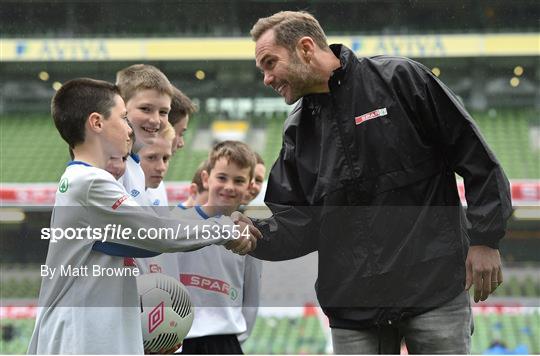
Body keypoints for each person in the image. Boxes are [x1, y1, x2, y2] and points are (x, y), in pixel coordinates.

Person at [246, 11, 512, 354]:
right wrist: (250, 235)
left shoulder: (401, 79)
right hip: (352, 309)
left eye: (270, 63)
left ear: (306, 48)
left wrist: (485, 240)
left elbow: (476, 158)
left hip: (434, 291)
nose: (267, 78)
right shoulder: (297, 131)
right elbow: (297, 225)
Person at [28, 78, 259, 354]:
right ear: (97, 123)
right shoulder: (89, 183)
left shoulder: (92, 181)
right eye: (124, 117)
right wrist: (225, 229)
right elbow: (158, 235)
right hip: (79, 340)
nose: (129, 128)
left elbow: (143, 248)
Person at [142, 141, 262, 354]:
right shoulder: (177, 223)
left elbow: (251, 299)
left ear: (249, 187)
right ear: (206, 178)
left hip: (226, 342)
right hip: (180, 340)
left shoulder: (247, 234)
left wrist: (237, 338)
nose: (229, 186)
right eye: (222, 177)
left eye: (239, 180)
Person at [146, 85, 197, 207]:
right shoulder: (120, 176)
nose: (181, 143)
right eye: (180, 133)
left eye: (164, 159)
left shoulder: (156, 184)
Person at [139, 122, 175, 206]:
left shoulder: (159, 188)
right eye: (151, 157)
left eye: (165, 159)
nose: (161, 167)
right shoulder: (115, 191)